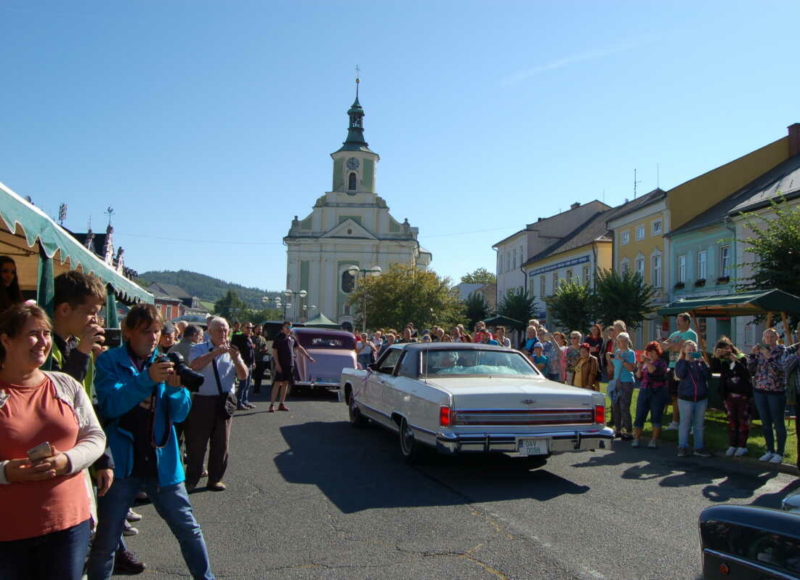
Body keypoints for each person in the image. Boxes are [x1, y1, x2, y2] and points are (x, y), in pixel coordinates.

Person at [86, 303, 214, 580]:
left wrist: (177, 391)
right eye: (146, 332)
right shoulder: (110, 361)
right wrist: (146, 380)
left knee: (189, 530)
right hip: (122, 466)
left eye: (156, 331)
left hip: (162, 464)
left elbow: (179, 415)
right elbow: (109, 406)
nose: (153, 338)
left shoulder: (167, 360)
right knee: (107, 542)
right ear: (128, 331)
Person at [0, 304, 106, 580]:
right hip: (8, 531)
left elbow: (95, 436)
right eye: (33, 334)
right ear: (5, 339)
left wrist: (67, 461)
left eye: (46, 333)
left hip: (68, 524)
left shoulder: (64, 384)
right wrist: (5, 472)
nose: (44, 341)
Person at [51, 271, 145, 575]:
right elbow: (55, 396)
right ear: (64, 310)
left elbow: (87, 409)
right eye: (91, 312)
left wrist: (102, 458)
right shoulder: (47, 347)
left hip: (77, 460)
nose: (96, 320)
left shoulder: (74, 347)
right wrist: (81, 353)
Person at [185, 316, 248, 492]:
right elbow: (195, 365)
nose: (224, 333)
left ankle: (215, 479)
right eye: (219, 330)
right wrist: (216, 352)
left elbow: (243, 376)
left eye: (226, 329)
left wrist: (236, 358)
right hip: (202, 401)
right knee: (197, 443)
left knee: (221, 443)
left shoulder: (233, 352)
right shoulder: (199, 348)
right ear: (209, 332)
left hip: (224, 401)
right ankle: (192, 479)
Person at [748, 328, 787, 464]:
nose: (769, 339)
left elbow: (781, 370)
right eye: (767, 337)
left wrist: (769, 358)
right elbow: (751, 370)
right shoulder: (760, 351)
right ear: (763, 339)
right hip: (760, 390)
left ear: (776, 338)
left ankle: (780, 452)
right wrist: (752, 356)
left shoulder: (782, 351)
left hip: (776, 391)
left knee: (778, 422)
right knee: (765, 423)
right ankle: (769, 449)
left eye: (772, 337)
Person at [710, 337, 752, 457]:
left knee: (742, 420)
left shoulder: (741, 358)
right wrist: (716, 357)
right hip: (729, 395)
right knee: (732, 421)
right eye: (723, 349)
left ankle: (742, 445)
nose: (727, 351)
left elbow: (746, 373)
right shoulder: (723, 361)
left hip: (742, 394)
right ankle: (732, 444)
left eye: (728, 348)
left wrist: (736, 362)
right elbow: (714, 370)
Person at [674, 340, 711, 458]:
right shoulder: (681, 362)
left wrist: (703, 362)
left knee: (699, 424)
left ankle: (699, 447)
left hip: (700, 398)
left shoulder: (700, 363)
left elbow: (708, 375)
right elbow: (680, 375)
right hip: (686, 397)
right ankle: (682, 446)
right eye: (689, 350)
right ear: (684, 351)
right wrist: (686, 361)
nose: (691, 352)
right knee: (685, 423)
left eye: (693, 350)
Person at [662, 313, 698, 431]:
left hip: (685, 367)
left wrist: (672, 345)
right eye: (677, 321)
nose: (677, 323)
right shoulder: (674, 334)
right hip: (673, 366)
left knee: (687, 396)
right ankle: (675, 421)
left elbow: (678, 348)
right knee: (674, 396)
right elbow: (662, 346)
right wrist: (673, 345)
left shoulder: (691, 334)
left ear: (687, 321)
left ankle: (692, 424)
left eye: (680, 321)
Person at [270, 322, 314, 412]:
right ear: (282, 327)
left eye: (290, 327)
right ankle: (272, 404)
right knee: (277, 384)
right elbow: (274, 352)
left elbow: (299, 348)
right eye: (287, 327)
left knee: (286, 383)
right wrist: (277, 364)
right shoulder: (278, 338)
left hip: (290, 364)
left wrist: (308, 356)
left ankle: (281, 404)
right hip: (280, 364)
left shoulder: (292, 338)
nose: (288, 328)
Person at [632, 341, 669, 448]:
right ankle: (636, 438)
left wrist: (647, 361)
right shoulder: (645, 363)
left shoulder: (661, 363)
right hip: (644, 390)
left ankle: (653, 440)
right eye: (649, 352)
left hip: (658, 392)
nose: (651, 354)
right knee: (640, 414)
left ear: (658, 353)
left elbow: (653, 371)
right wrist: (639, 367)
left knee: (656, 416)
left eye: (653, 352)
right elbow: (639, 377)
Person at [607, 332, 636, 440]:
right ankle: (618, 429)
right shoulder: (617, 352)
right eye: (619, 341)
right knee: (615, 405)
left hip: (627, 381)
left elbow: (631, 368)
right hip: (617, 381)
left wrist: (622, 360)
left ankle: (628, 430)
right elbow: (611, 368)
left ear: (627, 341)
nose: (620, 343)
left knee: (624, 406)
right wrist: (609, 360)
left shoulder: (630, 353)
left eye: (623, 341)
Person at [230, 323, 256, 410]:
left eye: (251, 327)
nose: (250, 329)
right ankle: (238, 403)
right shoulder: (238, 337)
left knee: (248, 384)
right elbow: (233, 347)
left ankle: (245, 401)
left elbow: (252, 352)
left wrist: (253, 362)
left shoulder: (249, 338)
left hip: (250, 364)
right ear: (243, 328)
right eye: (247, 327)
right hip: (242, 364)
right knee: (242, 384)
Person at [251, 325, 269, 394]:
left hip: (260, 360)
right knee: (250, 376)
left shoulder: (263, 339)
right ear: (254, 330)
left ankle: (257, 389)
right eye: (258, 329)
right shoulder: (251, 338)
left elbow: (265, 347)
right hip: (252, 360)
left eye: (261, 329)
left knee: (259, 376)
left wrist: (265, 349)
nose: (259, 331)